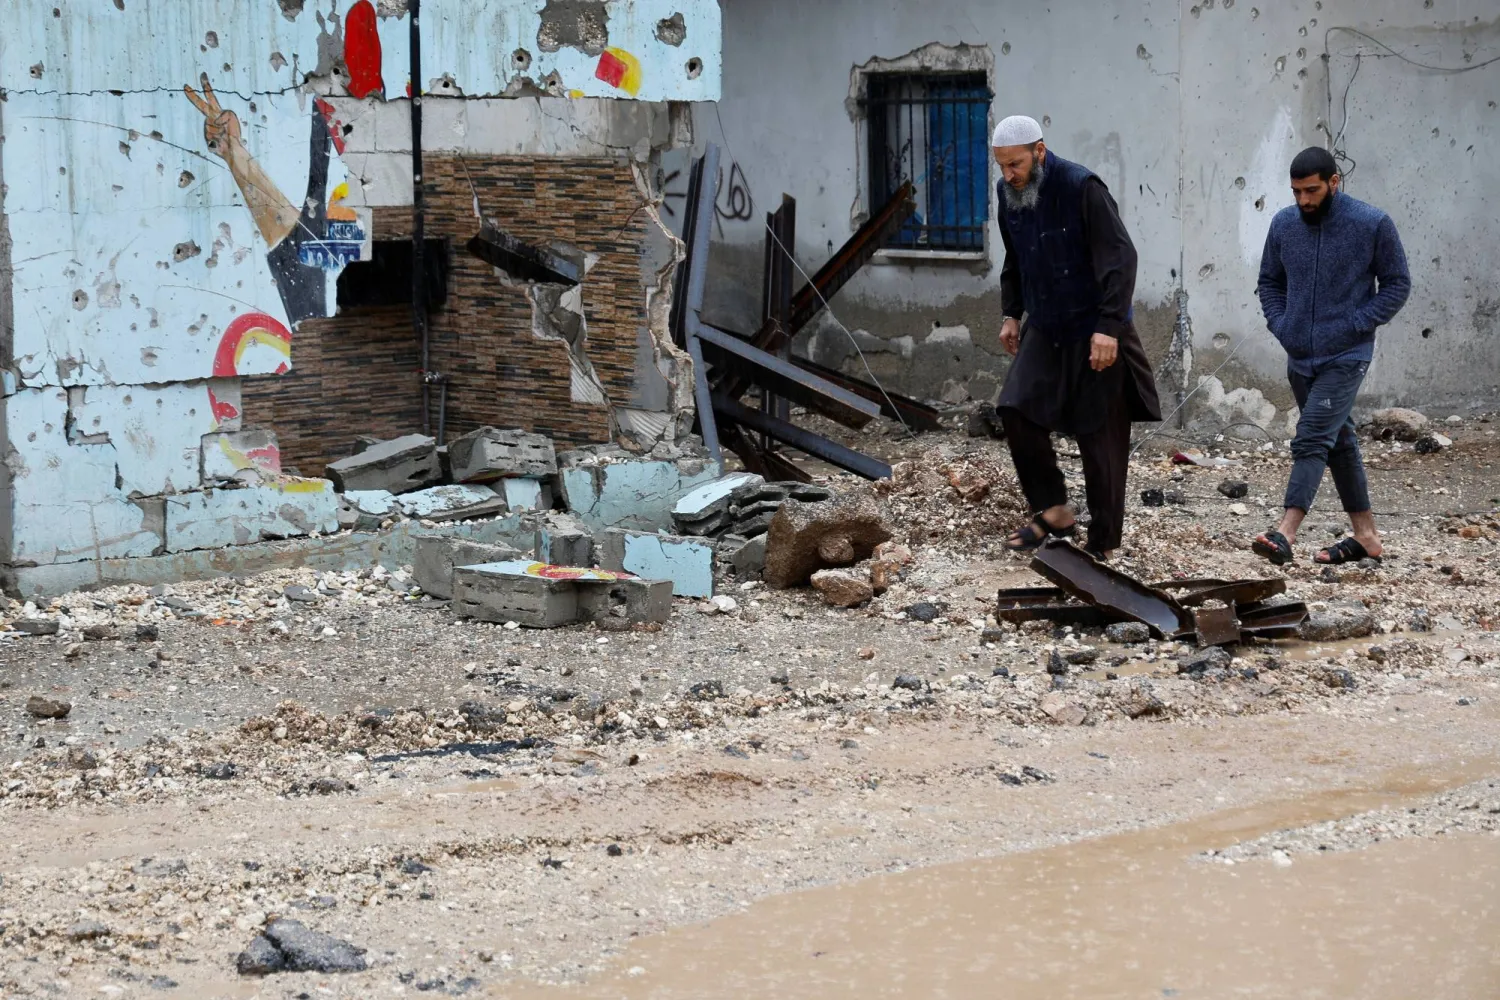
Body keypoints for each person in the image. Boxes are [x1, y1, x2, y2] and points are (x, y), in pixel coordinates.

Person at [991, 115, 1161, 559]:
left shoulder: (1082, 188)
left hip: (1095, 328)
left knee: (1099, 435)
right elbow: (1015, 256)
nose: (1009, 175)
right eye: (1002, 166)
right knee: (1015, 409)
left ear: (1040, 151)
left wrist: (1109, 327)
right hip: (1046, 326)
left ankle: (1102, 546)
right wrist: (1012, 312)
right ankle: (1053, 510)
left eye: (1016, 164)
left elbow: (1120, 258)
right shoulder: (1007, 194)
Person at [1252, 147, 1410, 566]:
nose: (1303, 200)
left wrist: (1357, 323)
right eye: (1296, 192)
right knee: (1338, 441)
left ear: (1334, 182)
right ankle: (1367, 537)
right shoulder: (1284, 224)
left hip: (1347, 353)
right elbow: (1269, 281)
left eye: (1312, 190)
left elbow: (1397, 284)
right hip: (1300, 355)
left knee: (1312, 437)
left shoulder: (1371, 223)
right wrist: (1281, 325)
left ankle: (1285, 532)